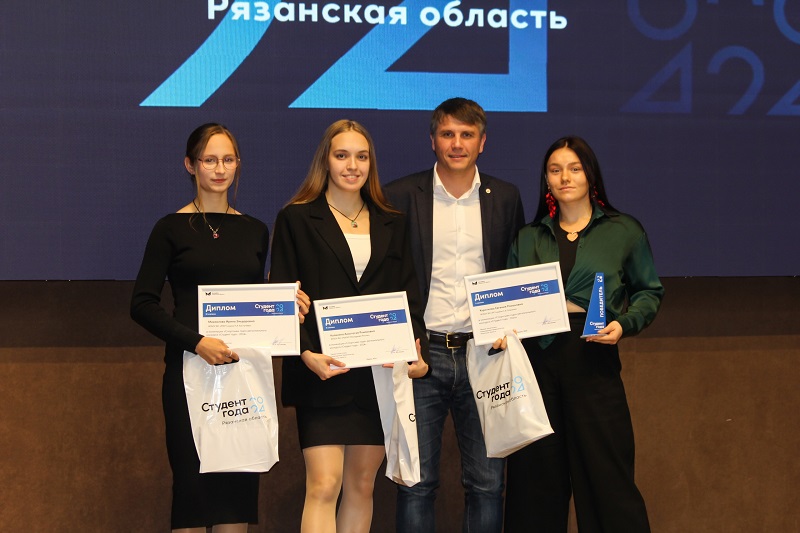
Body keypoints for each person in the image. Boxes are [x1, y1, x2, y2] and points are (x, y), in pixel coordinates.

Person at [130, 123, 309, 532]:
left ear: (238, 165)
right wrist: (196, 343)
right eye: (209, 160)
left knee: (237, 496)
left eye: (228, 159)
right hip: (188, 373)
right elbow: (141, 304)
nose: (219, 169)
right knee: (192, 491)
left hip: (242, 377)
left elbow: (254, 304)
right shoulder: (170, 228)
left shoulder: (255, 230)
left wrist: (287, 307)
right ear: (190, 165)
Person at [268, 119, 430, 533]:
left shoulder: (392, 221)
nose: (352, 165)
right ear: (326, 160)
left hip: (377, 376)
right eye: (342, 155)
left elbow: (409, 296)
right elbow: (284, 300)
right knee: (324, 484)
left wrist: (417, 354)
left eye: (362, 157)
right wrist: (305, 354)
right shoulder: (296, 218)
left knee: (361, 485)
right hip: (321, 370)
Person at [502, 136, 664, 533]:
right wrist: (501, 329)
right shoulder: (528, 236)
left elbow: (649, 292)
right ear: (546, 179)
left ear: (590, 175)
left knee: (607, 478)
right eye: (555, 170)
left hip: (593, 359)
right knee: (534, 481)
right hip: (536, 365)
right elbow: (505, 298)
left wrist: (624, 323)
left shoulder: (624, 230)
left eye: (574, 168)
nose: (565, 177)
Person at [384, 97, 525, 533]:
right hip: (421, 355)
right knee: (416, 484)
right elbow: (387, 274)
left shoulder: (505, 197)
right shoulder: (400, 195)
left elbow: (515, 270)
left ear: (482, 142)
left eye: (467, 135)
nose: (457, 144)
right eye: (448, 134)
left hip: (485, 354)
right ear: (433, 140)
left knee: (487, 484)